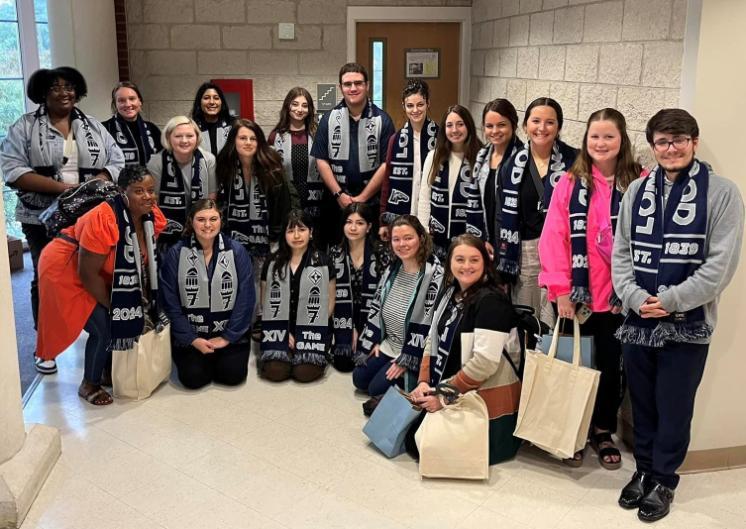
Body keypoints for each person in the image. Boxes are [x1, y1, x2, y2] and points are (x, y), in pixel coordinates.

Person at [612, 109, 744, 522]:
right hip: (639, 323)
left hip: (688, 326)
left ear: (694, 142)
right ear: (652, 147)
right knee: (644, 405)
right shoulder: (637, 191)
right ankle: (644, 471)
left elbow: (720, 266)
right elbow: (622, 254)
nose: (671, 149)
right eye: (663, 142)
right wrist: (635, 298)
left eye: (679, 140)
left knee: (674, 406)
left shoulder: (722, 193)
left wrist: (670, 301)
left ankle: (665, 479)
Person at [0, 66, 125, 375]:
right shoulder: (25, 127)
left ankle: (93, 331)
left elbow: (116, 160)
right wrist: (65, 191)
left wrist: (90, 188)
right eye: (56, 87)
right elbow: (13, 169)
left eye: (69, 86)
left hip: (88, 217)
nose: (64, 92)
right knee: (46, 277)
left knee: (90, 272)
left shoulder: (93, 126)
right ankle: (46, 346)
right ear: (43, 92)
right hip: (41, 217)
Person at [539, 108, 643, 469]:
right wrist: (561, 289)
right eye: (594, 136)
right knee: (572, 363)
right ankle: (570, 429)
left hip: (619, 298)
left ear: (621, 140)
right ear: (586, 141)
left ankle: (601, 429)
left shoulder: (639, 182)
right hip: (575, 295)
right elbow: (552, 237)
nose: (601, 143)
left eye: (609, 136)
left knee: (611, 367)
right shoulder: (570, 182)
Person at [35, 166, 166, 405]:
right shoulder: (103, 218)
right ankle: (90, 384)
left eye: (151, 190)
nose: (148, 197)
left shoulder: (150, 216)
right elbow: (87, 274)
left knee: (117, 317)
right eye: (139, 191)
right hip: (65, 268)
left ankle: (107, 371)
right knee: (104, 325)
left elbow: (143, 262)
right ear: (122, 192)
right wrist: (113, 304)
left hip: (98, 269)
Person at [409, 234, 523, 464]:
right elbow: (432, 338)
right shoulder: (451, 293)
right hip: (454, 383)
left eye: (474, 260)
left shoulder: (492, 302)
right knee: (412, 438)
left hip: (484, 399)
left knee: (421, 447)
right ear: (450, 262)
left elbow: (485, 363)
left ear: (485, 264)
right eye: (460, 259)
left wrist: (443, 397)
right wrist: (423, 381)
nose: (466, 266)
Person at [497, 97, 578, 327]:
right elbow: (502, 216)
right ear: (525, 126)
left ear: (559, 127)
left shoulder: (576, 161)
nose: (542, 128)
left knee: (561, 323)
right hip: (527, 254)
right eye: (536, 121)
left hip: (565, 253)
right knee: (528, 320)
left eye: (550, 122)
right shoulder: (510, 165)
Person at [160, 199, 255, 389]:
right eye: (201, 219)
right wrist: (191, 339)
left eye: (213, 219)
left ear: (221, 221)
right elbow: (169, 301)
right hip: (191, 336)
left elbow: (245, 299)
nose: (208, 225)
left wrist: (226, 337)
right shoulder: (176, 253)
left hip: (229, 336)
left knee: (232, 376)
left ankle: (220, 355)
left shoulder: (237, 251)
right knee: (193, 379)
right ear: (191, 221)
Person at [353, 215, 443, 397]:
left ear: (421, 238)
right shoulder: (392, 269)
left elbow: (433, 327)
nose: (402, 244)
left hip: (411, 351)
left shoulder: (435, 275)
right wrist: (376, 340)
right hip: (389, 344)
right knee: (359, 379)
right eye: (396, 239)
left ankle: (411, 374)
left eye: (408, 238)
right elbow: (377, 308)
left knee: (375, 389)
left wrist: (407, 359)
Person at [311, 62, 395, 247]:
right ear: (340, 88)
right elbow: (321, 160)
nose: (353, 88)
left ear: (367, 85)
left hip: (370, 205)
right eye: (347, 84)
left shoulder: (383, 120)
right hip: (335, 204)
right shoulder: (328, 119)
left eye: (358, 83)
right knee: (334, 256)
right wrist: (340, 194)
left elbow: (385, 164)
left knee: (370, 257)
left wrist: (363, 197)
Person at [259, 209, 336, 383]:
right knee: (275, 372)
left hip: (313, 329)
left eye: (301, 229)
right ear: (284, 234)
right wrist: (283, 332)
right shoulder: (272, 262)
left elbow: (330, 303)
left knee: (305, 373)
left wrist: (303, 334)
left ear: (311, 232)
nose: (296, 235)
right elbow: (265, 303)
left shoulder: (323, 261)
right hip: (278, 328)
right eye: (290, 230)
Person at [217, 118, 298, 273]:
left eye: (253, 138)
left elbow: (283, 207)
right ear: (233, 141)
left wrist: (276, 240)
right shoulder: (225, 167)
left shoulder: (272, 168)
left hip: (268, 242)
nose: (248, 142)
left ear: (259, 142)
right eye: (242, 138)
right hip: (231, 242)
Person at [416, 104, 485, 259]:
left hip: (469, 240)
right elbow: (425, 197)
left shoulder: (482, 157)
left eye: (460, 124)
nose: (455, 130)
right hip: (437, 240)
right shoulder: (434, 156)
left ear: (469, 126)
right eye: (449, 125)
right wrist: (424, 230)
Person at [329, 203, 389, 372]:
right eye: (349, 222)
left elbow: (386, 298)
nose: (353, 227)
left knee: (366, 362)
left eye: (360, 223)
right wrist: (351, 328)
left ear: (369, 227)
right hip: (343, 316)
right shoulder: (334, 253)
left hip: (373, 316)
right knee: (344, 363)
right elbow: (330, 296)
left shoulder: (381, 253)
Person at [379, 79, 438, 239]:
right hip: (402, 214)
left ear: (428, 103)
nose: (415, 110)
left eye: (420, 104)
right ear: (403, 106)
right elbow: (387, 180)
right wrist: (383, 220)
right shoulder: (395, 139)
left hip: (431, 216)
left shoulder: (440, 137)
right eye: (410, 105)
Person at [147, 115, 217, 249]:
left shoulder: (208, 160)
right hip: (167, 231)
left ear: (197, 137)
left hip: (201, 228)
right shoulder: (156, 162)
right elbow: (153, 201)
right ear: (168, 137)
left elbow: (211, 196)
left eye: (189, 136)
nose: (184, 140)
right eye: (178, 136)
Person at [268, 87, 323, 230]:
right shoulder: (275, 137)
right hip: (287, 199)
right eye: (295, 104)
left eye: (305, 106)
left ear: (310, 109)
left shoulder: (318, 134)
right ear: (288, 106)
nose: (300, 109)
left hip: (315, 199)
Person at [473, 99, 524, 252]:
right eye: (489, 126)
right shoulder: (482, 157)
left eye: (501, 125)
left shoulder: (524, 159)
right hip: (485, 242)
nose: (494, 131)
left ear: (513, 125)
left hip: (514, 246)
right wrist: (482, 239)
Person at [102, 81, 162, 168]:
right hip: (117, 181)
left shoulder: (152, 129)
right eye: (121, 100)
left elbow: (163, 160)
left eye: (132, 99)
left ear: (140, 101)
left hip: (151, 181)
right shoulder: (104, 129)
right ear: (115, 104)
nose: (127, 104)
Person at [190, 81, 232, 157]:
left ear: (221, 102)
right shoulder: (192, 127)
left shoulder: (233, 125)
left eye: (216, 98)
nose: (212, 102)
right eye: (206, 98)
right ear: (199, 102)